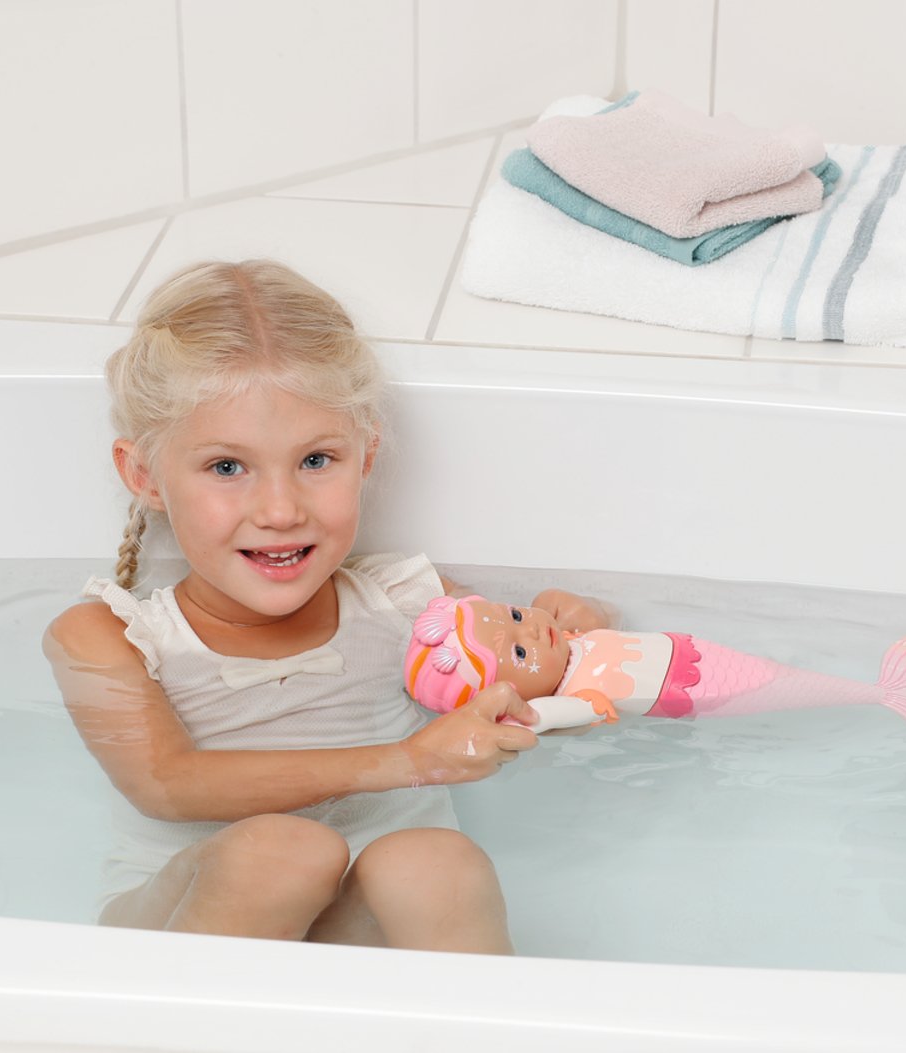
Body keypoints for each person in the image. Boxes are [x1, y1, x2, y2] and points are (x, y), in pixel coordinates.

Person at [42, 260, 611, 954]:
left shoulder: (410, 604)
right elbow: (165, 783)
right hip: (183, 929)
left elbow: (543, 684)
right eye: (227, 467)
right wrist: (409, 761)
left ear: (365, 455)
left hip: (365, 931)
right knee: (280, 854)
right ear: (145, 476)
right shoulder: (111, 635)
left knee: (434, 860)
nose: (281, 510)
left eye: (316, 460)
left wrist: (577, 636)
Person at [404, 595, 906, 744]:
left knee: (787, 676)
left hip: (705, 661)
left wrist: (548, 616)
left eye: (514, 615)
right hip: (707, 691)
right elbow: (566, 714)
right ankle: (895, 695)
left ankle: (889, 690)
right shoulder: (576, 696)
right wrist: (531, 718)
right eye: (519, 653)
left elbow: (573, 611)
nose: (529, 630)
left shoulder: (568, 636)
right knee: (781, 685)